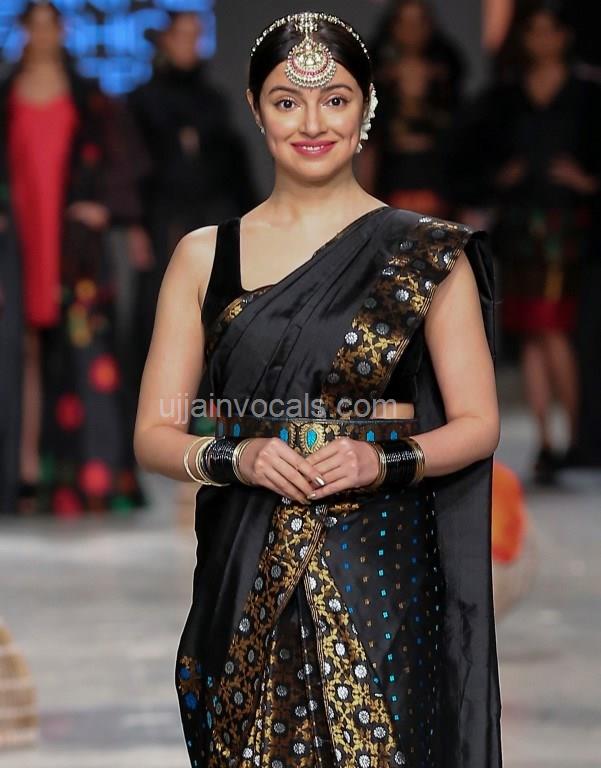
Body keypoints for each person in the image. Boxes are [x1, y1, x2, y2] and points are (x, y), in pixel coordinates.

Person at [134, 12, 502, 767]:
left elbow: (477, 422)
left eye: (335, 99)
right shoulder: (204, 256)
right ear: (254, 107)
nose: (311, 123)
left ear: (367, 106)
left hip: (384, 573)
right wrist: (238, 456)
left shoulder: (425, 253)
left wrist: (382, 460)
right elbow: (154, 433)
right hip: (243, 570)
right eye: (286, 101)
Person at [0, 1, 144, 515]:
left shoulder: (90, 98)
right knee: (20, 351)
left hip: (71, 244)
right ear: (23, 31)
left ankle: (88, 476)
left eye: (50, 26)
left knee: (83, 352)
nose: (42, 35)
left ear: (62, 30)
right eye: (34, 26)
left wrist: (106, 208)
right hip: (20, 239)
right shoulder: (7, 97)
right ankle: (23, 473)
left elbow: (120, 162)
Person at [467, 3, 601, 482]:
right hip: (521, 224)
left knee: (554, 328)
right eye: (534, 31)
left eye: (550, 31)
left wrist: (587, 181)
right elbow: (477, 151)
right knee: (533, 331)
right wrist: (501, 177)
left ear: (565, 36)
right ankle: (548, 440)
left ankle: (571, 438)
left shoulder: (586, 92)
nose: (541, 40)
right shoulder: (507, 95)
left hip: (566, 225)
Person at [128, 10, 258, 380]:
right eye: (182, 35)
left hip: (213, 217)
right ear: (166, 40)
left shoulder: (213, 100)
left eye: (195, 36)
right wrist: (136, 224)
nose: (190, 44)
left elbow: (233, 166)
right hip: (165, 220)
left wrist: (253, 219)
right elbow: (134, 167)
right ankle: (164, 399)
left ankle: (213, 398)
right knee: (164, 311)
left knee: (218, 310)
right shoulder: (143, 101)